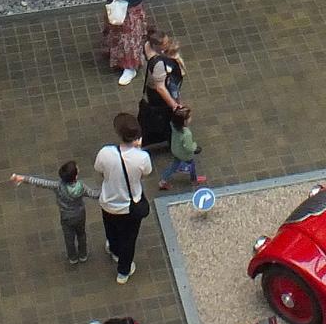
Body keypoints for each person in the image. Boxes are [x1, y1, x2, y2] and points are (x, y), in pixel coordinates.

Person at [94, 113, 154, 284]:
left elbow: (98, 169)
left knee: (110, 228)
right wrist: (139, 150)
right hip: (130, 206)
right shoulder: (142, 157)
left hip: (108, 201)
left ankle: (113, 249)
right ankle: (123, 271)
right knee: (129, 239)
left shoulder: (105, 152)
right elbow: (146, 172)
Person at [11, 160, 91, 264]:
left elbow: (41, 182)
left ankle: (72, 257)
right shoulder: (82, 187)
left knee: (68, 237)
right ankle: (83, 255)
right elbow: (93, 194)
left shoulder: (57, 186)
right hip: (80, 215)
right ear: (75, 176)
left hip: (66, 216)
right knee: (81, 234)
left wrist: (22, 178)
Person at [137, 29, 185, 146]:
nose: (168, 45)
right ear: (156, 46)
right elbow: (160, 88)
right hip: (158, 95)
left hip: (151, 89)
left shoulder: (147, 45)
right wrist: (174, 105)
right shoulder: (159, 64)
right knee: (166, 117)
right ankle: (171, 140)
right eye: (165, 43)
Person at [161, 104, 206, 191]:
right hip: (185, 155)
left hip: (175, 149)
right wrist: (195, 146)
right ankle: (194, 180)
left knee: (173, 166)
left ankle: (163, 181)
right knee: (192, 165)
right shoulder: (186, 133)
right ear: (184, 121)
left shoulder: (173, 125)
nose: (190, 118)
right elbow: (189, 147)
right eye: (189, 117)